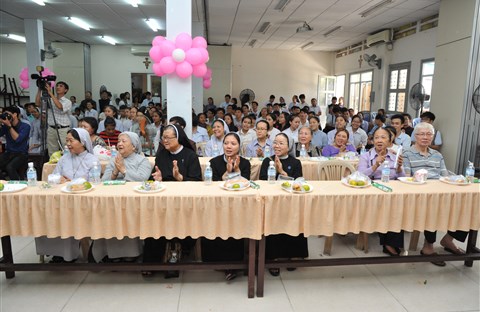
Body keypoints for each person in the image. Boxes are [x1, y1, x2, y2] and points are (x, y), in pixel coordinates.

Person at [143, 124, 202, 277]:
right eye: (163, 138)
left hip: (184, 203)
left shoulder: (190, 155)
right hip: (162, 202)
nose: (165, 141)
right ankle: (153, 260)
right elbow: (153, 178)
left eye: (168, 138)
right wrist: (158, 178)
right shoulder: (162, 155)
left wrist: (180, 178)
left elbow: (197, 182)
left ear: (178, 138)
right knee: (152, 222)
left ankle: (177, 252)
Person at [403, 122, 465, 266]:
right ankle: (428, 247)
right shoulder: (407, 153)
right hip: (419, 194)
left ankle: (448, 240)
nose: (425, 137)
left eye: (429, 134)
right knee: (432, 208)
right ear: (415, 136)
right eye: (421, 134)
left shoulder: (437, 155)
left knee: (466, 205)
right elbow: (406, 177)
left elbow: (444, 176)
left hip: (439, 191)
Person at [35, 128, 98, 262]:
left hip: (82, 202)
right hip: (61, 199)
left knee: (67, 217)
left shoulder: (92, 160)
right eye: (67, 140)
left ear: (83, 142)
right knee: (48, 215)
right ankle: (56, 253)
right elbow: (52, 177)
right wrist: (59, 179)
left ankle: (69, 254)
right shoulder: (64, 158)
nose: (68, 144)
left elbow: (94, 183)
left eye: (71, 140)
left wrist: (72, 182)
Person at [92, 132, 152, 263]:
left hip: (133, 202)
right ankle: (112, 254)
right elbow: (104, 180)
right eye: (119, 141)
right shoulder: (115, 160)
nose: (119, 144)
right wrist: (115, 171)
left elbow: (142, 179)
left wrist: (124, 170)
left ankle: (131, 254)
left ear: (134, 146)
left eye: (124, 141)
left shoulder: (142, 160)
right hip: (113, 201)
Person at [201, 132, 252, 281]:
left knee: (234, 226)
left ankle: (233, 264)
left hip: (238, 206)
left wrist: (236, 172)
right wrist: (226, 173)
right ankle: (214, 261)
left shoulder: (245, 163)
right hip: (217, 205)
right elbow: (211, 185)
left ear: (239, 146)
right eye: (226, 143)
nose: (229, 146)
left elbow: (246, 185)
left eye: (233, 144)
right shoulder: (214, 162)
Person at [259, 133, 307, 276]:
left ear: (289, 146)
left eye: (281, 143)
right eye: (275, 143)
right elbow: (262, 182)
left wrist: (282, 172)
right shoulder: (267, 161)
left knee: (296, 219)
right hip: (273, 203)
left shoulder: (296, 162)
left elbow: (299, 184)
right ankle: (274, 257)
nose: (277, 146)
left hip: (292, 203)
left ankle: (294, 254)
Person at [358, 127, 405, 256]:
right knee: (387, 206)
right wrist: (375, 165)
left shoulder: (395, 156)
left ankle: (390, 242)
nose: (379, 140)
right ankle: (389, 243)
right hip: (372, 193)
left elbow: (403, 178)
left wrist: (400, 167)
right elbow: (360, 176)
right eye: (376, 137)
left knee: (397, 205)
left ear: (390, 141)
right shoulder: (366, 156)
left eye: (383, 137)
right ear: (372, 141)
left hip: (393, 191)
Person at [35, 81, 72, 156]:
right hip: (51, 129)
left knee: (66, 150)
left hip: (63, 129)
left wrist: (50, 93)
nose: (58, 87)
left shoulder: (67, 101)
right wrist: (39, 89)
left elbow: (60, 107)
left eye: (61, 86)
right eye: (57, 86)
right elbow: (37, 104)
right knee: (52, 152)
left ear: (66, 90)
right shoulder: (50, 100)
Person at [0, 106, 30, 180]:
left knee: (10, 167)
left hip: (21, 154)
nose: (6, 117)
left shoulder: (25, 126)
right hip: (9, 153)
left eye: (8, 114)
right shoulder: (6, 126)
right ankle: (4, 183)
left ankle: (17, 185)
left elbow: (18, 139)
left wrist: (10, 126)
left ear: (15, 114)